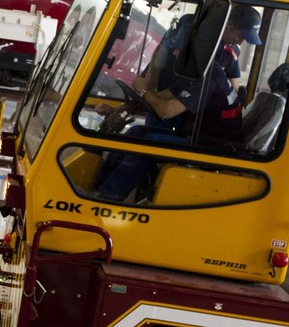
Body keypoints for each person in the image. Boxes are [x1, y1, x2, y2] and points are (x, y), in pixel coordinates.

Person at [97, 4, 262, 201]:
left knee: (150, 144)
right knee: (136, 132)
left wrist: (142, 88)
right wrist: (123, 106)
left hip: (211, 144)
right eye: (173, 48)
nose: (174, 53)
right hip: (201, 135)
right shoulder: (196, 71)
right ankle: (98, 189)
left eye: (177, 49)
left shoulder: (206, 76)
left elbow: (167, 111)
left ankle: (108, 197)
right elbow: (163, 97)